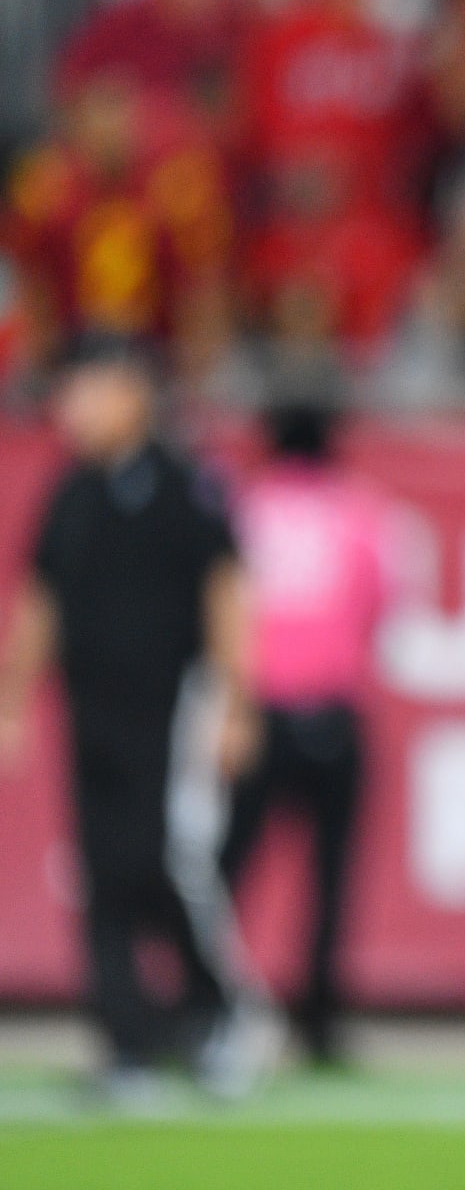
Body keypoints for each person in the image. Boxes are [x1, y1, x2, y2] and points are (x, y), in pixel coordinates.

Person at [0, 334, 275, 1103]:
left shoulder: (187, 484)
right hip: (91, 709)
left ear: (132, 392)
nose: (70, 409)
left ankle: (221, 1013)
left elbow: (228, 591)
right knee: (102, 873)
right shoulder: (73, 492)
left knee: (168, 864)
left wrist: (237, 702)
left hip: (175, 704)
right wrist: (15, 695)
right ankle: (127, 1042)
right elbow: (40, 597)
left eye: (86, 390)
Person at [220, 394, 396, 1066]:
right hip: (331, 713)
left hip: (257, 714)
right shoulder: (360, 511)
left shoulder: (243, 506)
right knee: (330, 877)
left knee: (228, 870)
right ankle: (317, 1021)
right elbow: (378, 605)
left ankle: (202, 1004)